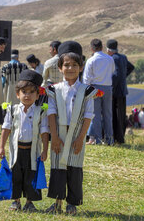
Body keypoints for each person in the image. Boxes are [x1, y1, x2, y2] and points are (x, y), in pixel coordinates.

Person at [46, 41, 98, 215]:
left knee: (74, 168)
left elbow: (88, 115)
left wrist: (81, 138)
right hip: (59, 133)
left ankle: (72, 204)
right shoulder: (54, 90)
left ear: (81, 67)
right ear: (60, 67)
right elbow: (51, 113)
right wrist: (54, 136)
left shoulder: (87, 91)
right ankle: (57, 202)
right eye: (66, 65)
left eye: (75, 65)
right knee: (58, 166)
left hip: (77, 134)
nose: (70, 68)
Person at [0, 69, 49, 212]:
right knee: (16, 175)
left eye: (32, 92)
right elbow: (6, 128)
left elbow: (45, 131)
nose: (27, 95)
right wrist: (1, 147)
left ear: (38, 94)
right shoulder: (12, 110)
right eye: (24, 92)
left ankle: (30, 202)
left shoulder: (40, 111)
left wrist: (45, 150)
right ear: (17, 94)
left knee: (31, 176)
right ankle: (16, 202)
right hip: (16, 150)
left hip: (33, 151)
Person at [83, 39, 115, 145]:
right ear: (102, 47)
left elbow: (86, 78)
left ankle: (97, 139)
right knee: (108, 114)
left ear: (92, 48)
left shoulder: (91, 60)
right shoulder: (110, 59)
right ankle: (109, 139)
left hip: (95, 88)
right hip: (108, 87)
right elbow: (112, 71)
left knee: (95, 115)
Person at [107, 39, 134, 144]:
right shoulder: (123, 57)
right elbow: (131, 67)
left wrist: (111, 87)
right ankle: (121, 137)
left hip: (116, 92)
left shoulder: (113, 58)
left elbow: (116, 75)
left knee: (115, 115)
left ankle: (117, 138)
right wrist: (124, 77)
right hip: (123, 91)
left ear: (109, 50)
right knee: (122, 115)